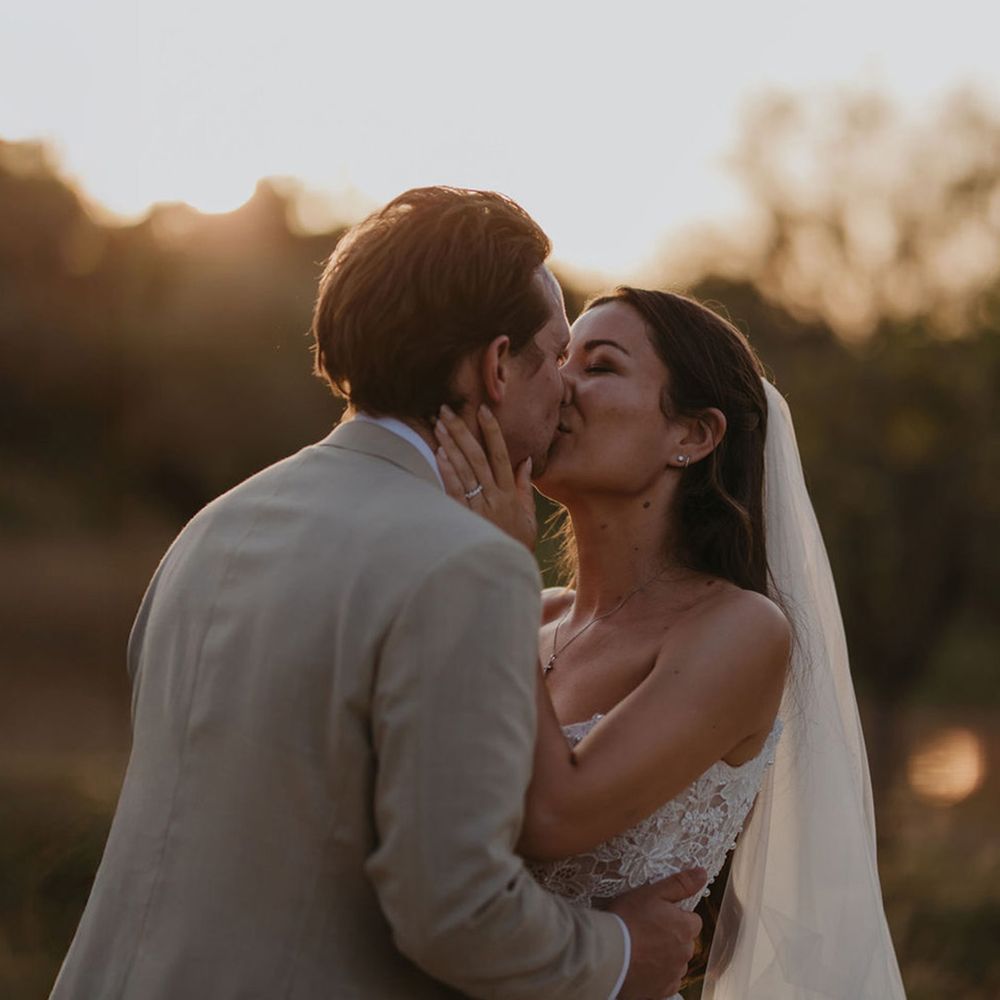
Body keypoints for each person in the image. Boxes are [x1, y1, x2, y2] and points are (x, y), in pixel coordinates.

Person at [48, 189, 704, 1000]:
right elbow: (454, 910)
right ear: (497, 367)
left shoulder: (215, 526)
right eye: (554, 355)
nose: (566, 390)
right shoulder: (467, 567)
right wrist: (620, 956)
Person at [433, 287, 908, 998]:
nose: (560, 383)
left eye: (600, 366)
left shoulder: (738, 631)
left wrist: (496, 572)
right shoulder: (526, 616)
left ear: (692, 435)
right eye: (562, 358)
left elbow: (554, 813)